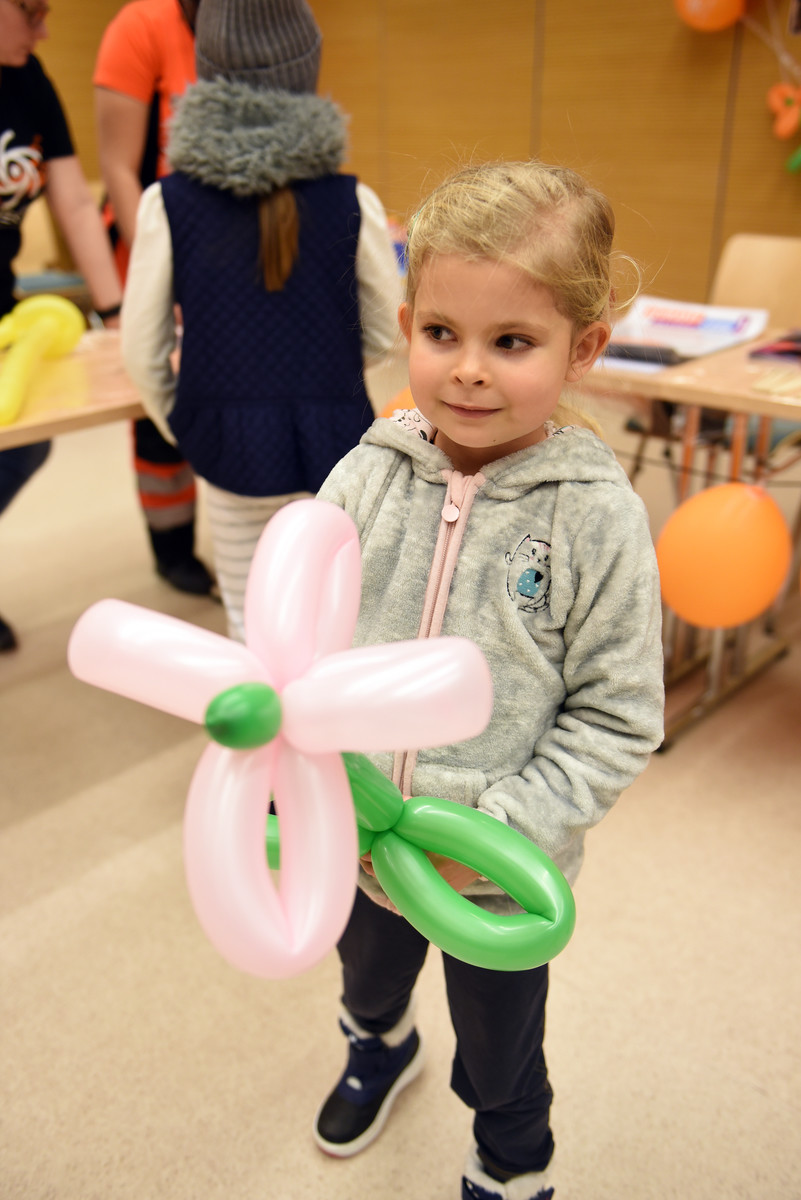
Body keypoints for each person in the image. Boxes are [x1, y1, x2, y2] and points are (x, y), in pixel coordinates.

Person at [313, 161, 666, 1199]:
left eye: (511, 342)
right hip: (362, 835)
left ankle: (512, 1160)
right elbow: (306, 639)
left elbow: (616, 715)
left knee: (502, 1049)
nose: (468, 371)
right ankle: (378, 1045)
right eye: (441, 333)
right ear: (407, 326)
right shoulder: (365, 473)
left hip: (496, 865)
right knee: (365, 975)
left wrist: (502, 829)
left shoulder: (594, 518)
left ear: (581, 348)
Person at [121, 0, 401, 640]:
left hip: (225, 443)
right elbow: (388, 330)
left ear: (206, 76)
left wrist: (183, 420)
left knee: (251, 622)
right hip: (337, 441)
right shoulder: (352, 199)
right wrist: (327, 372)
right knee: (335, 617)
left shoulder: (167, 202)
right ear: (308, 72)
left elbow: (141, 349)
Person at [0, 0, 123, 651]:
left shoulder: (28, 79)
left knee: (24, 443)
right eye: (31, 11)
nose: (44, 29)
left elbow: (73, 200)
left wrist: (116, 312)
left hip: (6, 308)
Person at [93, 0, 215, 598]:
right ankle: (172, 547)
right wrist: (156, 274)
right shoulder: (141, 28)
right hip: (150, 243)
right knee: (154, 402)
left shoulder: (251, 22)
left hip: (221, 252)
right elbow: (119, 166)